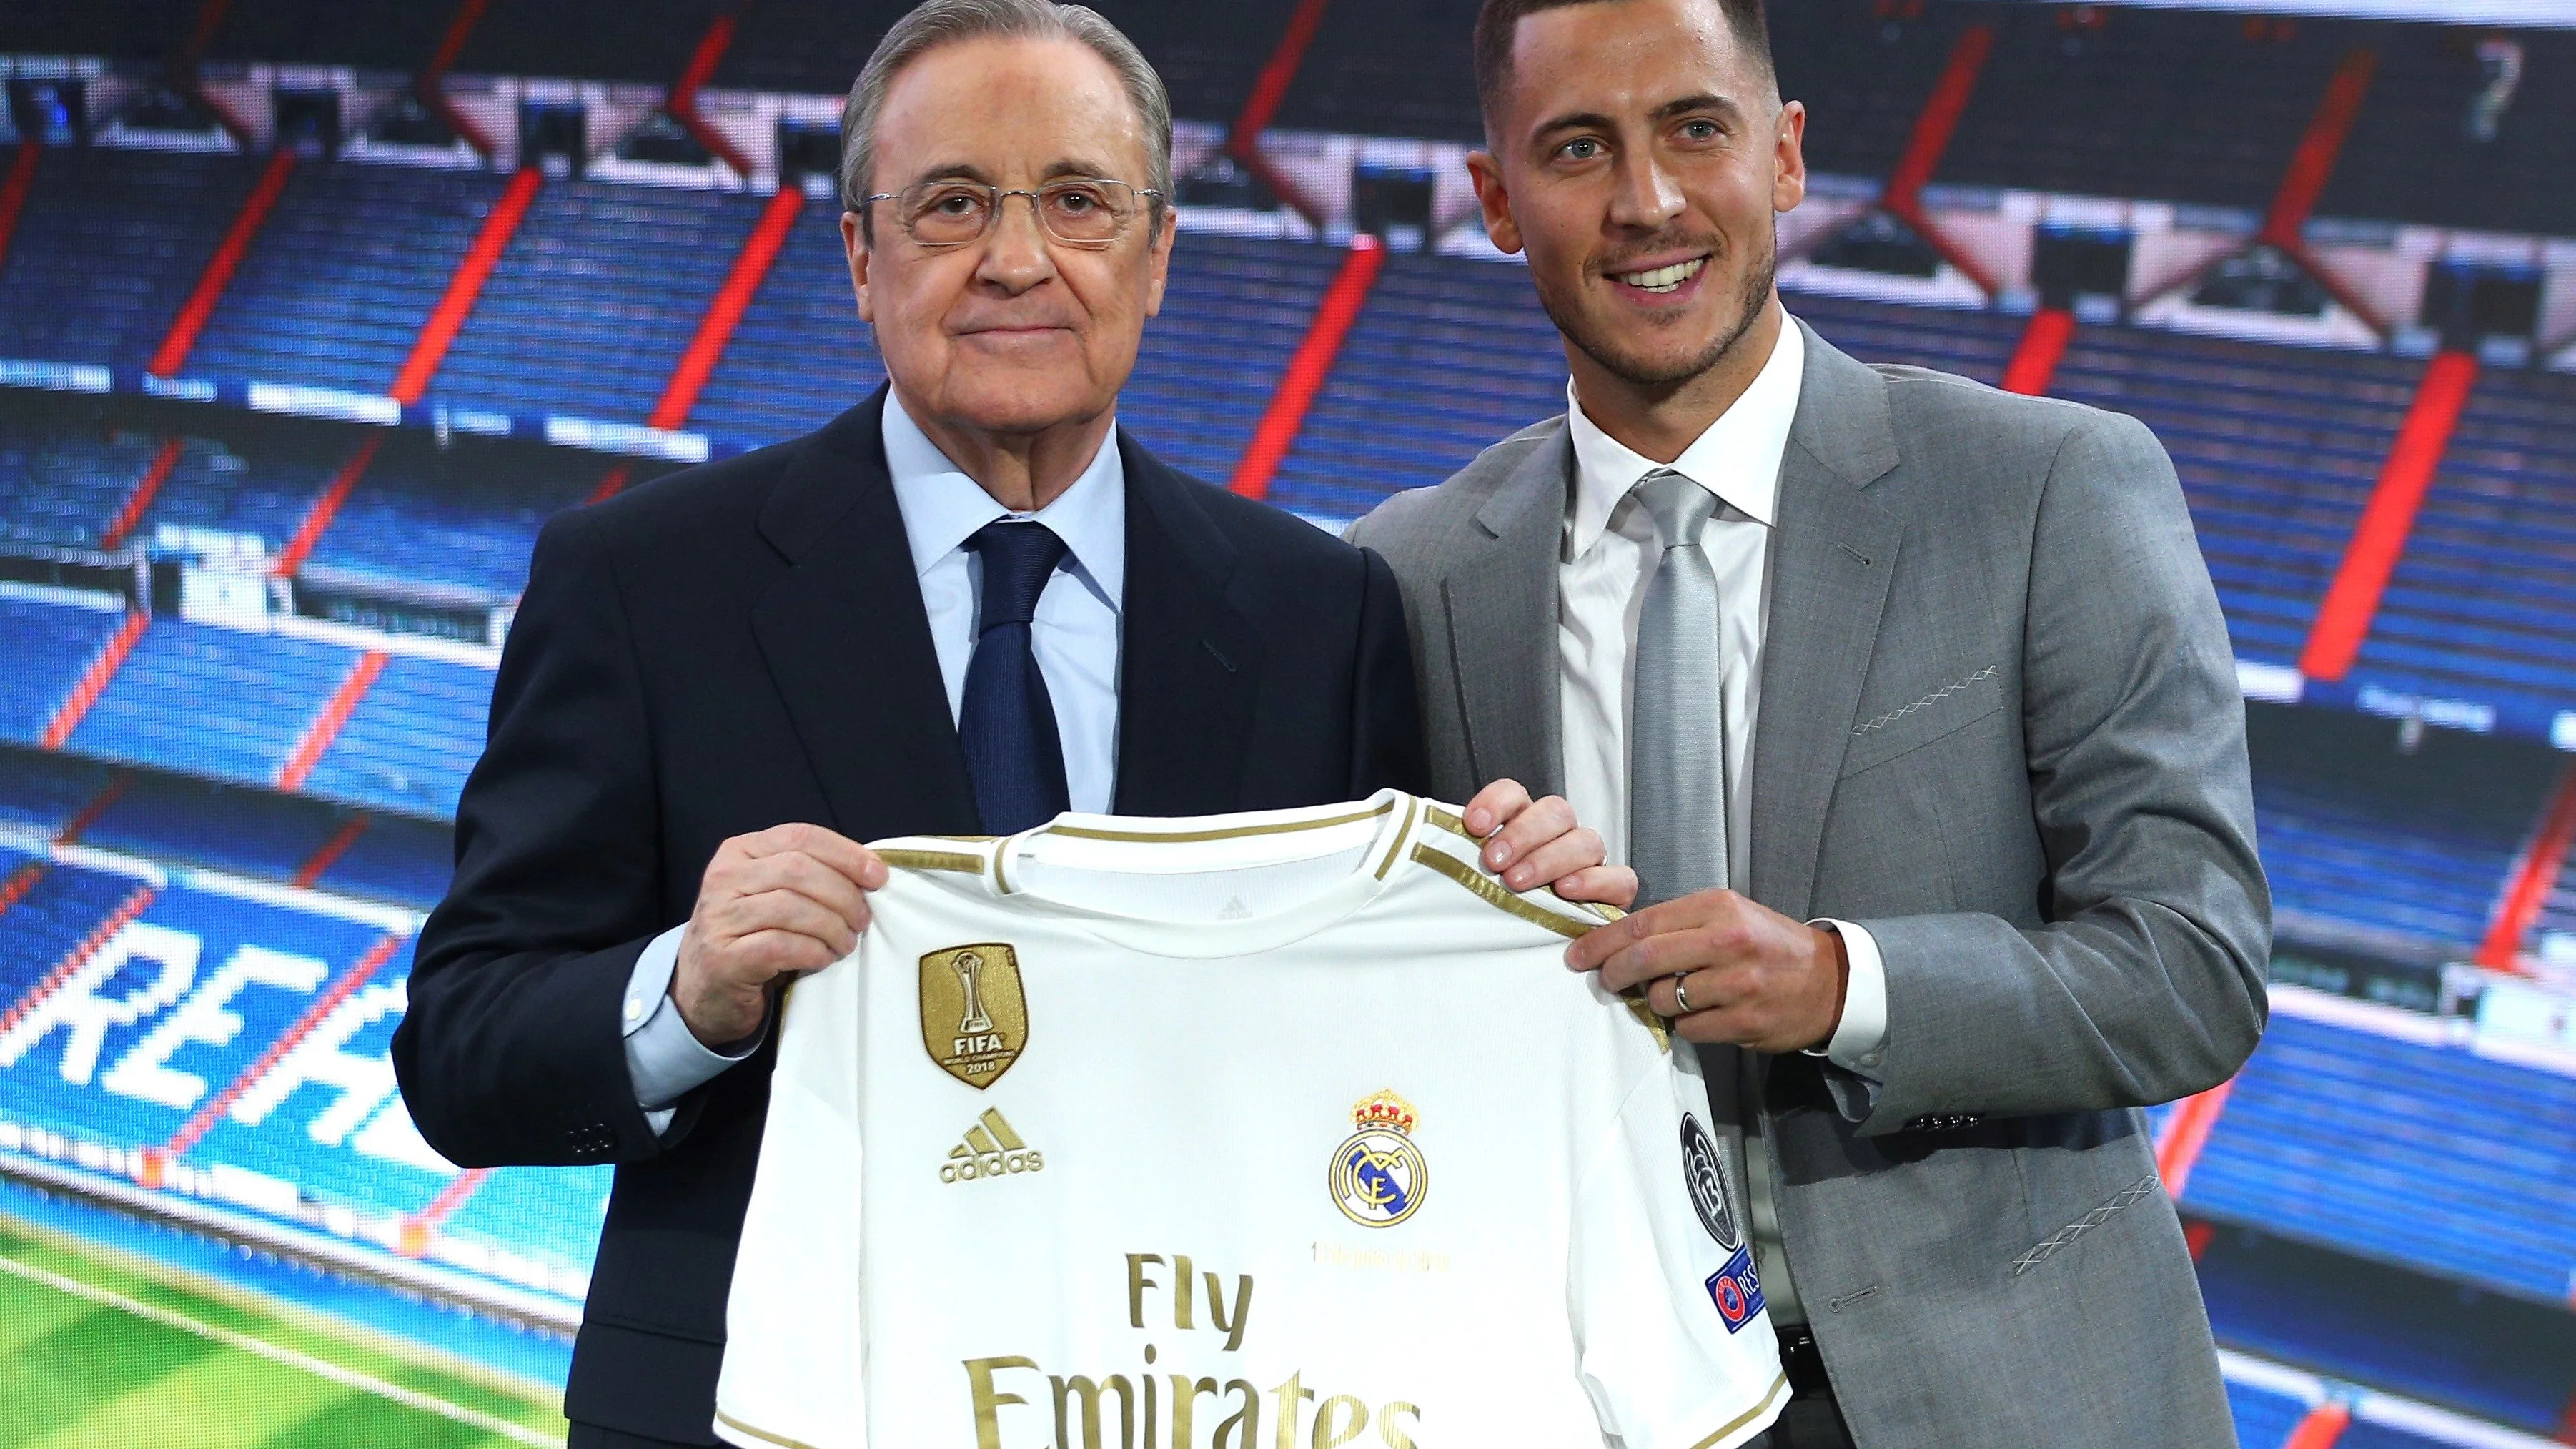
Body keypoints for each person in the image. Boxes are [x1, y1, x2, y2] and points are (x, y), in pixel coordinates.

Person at [390, 4, 1628, 1445]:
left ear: (1156, 255)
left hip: (1199, 1396)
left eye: (1079, 201)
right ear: (861, 256)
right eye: (952, 204)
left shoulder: (1316, 609)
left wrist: (1510, 913)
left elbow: (1384, 1061)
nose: (1016, 258)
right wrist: (686, 989)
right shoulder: (641, 581)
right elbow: (462, 1049)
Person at [1348, 1, 2272, 1445]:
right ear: (1495, 203)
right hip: (1576, 1398)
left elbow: (2190, 964)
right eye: (1577, 147)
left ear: (1780, 156)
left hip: (2002, 1398)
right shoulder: (1402, 573)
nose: (1646, 200)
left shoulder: (2044, 491)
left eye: (1692, 129)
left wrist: (1844, 983)